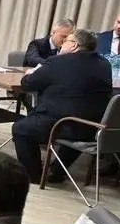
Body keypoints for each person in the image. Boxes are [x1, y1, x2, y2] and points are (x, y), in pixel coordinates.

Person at [11, 28, 112, 185]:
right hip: (93, 127)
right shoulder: (105, 65)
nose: (62, 44)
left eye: (66, 41)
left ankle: (34, 175)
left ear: (74, 45)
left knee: (21, 128)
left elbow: (28, 84)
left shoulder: (58, 62)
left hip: (60, 124)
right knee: (76, 123)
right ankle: (56, 172)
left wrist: (28, 75)